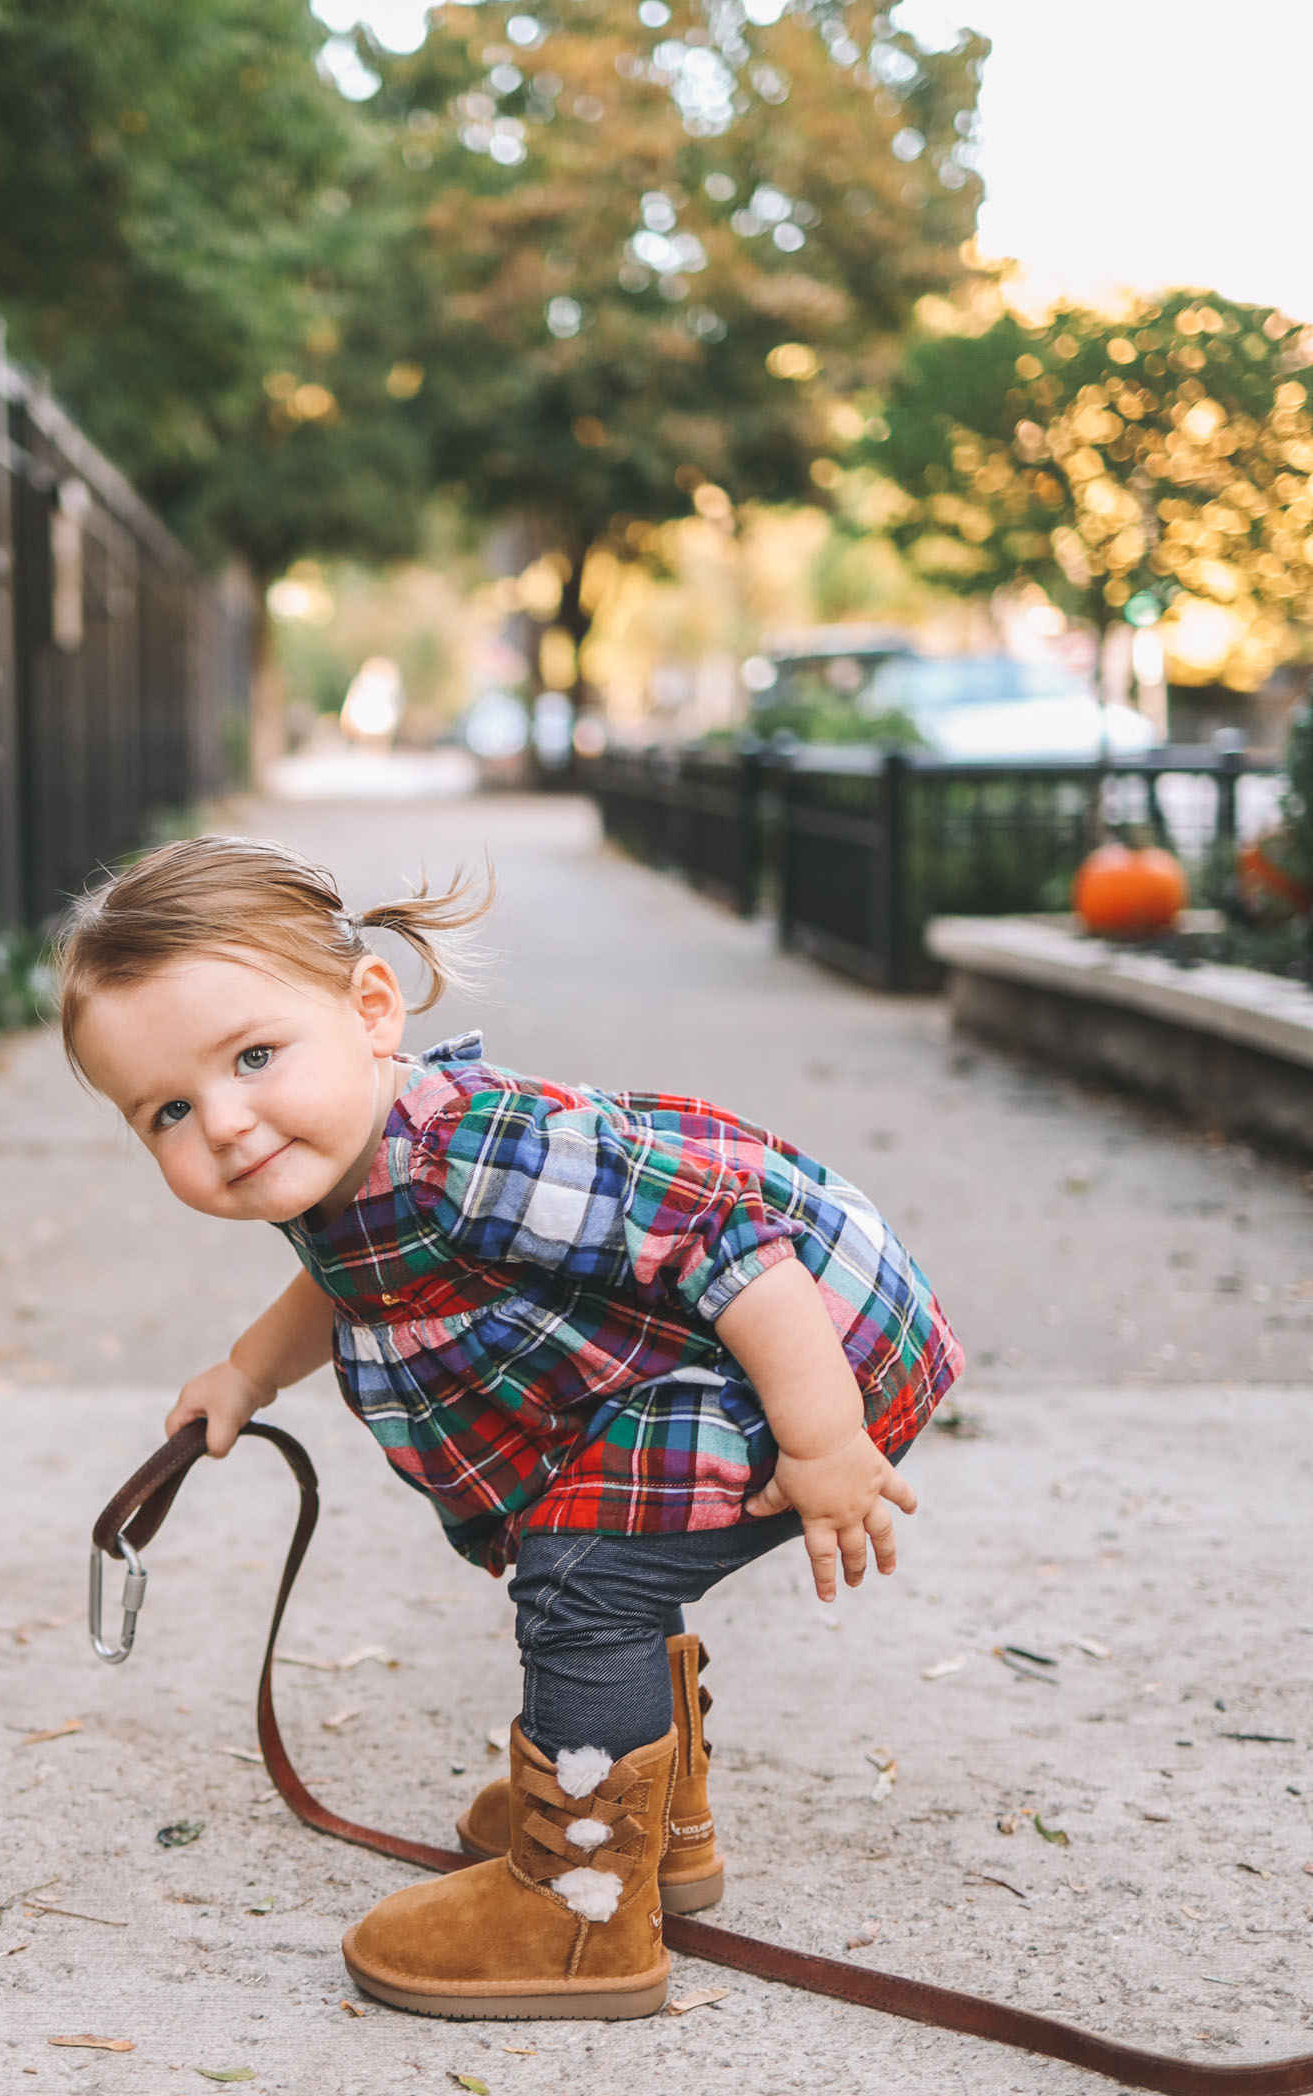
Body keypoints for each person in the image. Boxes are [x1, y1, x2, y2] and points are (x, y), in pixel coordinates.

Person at [61, 836, 962, 2024]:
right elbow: (345, 1279)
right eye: (169, 1109)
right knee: (604, 1551)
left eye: (254, 1056)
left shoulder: (472, 1157)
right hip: (706, 1359)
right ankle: (652, 1823)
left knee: (585, 1580)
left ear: (370, 1009)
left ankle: (581, 1903)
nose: (223, 1121)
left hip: (802, 1349)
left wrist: (824, 1444)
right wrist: (245, 1375)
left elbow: (729, 1241)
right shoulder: (340, 1161)